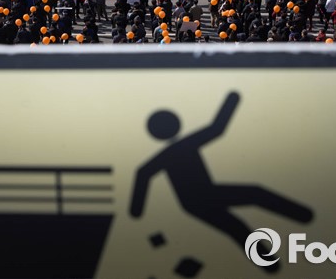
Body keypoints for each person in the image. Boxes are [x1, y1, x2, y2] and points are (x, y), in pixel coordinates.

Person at [130, 92, 312, 270]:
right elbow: (217, 128)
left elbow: (143, 173)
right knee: (253, 196)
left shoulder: (170, 152)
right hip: (205, 195)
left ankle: (272, 261)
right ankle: (302, 216)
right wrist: (232, 100)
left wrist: (137, 209)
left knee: (236, 226)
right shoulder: (185, 144)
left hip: (193, 203)